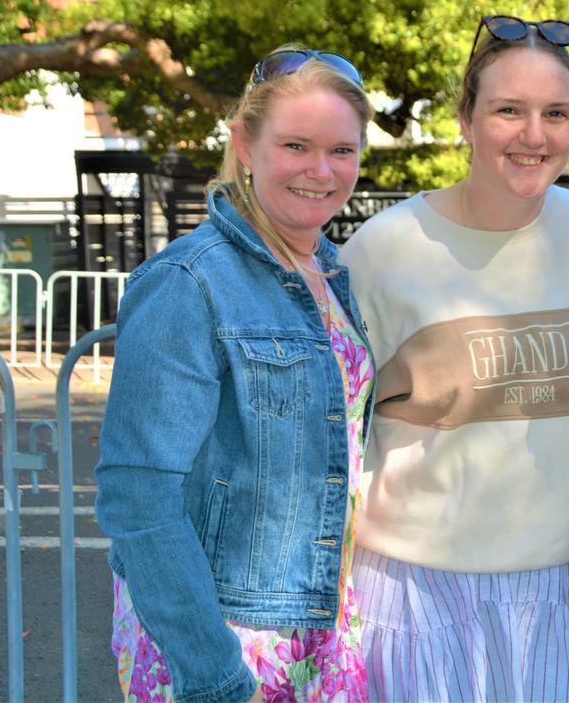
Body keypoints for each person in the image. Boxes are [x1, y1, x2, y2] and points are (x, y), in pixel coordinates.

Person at [338, 14, 569, 702]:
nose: (535, 135)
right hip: (416, 590)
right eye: (509, 111)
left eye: (555, 113)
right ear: (465, 120)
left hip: (564, 585)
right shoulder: (382, 251)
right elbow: (331, 427)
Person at [95, 45, 376, 703]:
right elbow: (139, 501)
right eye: (296, 146)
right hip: (225, 643)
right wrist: (217, 678)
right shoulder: (188, 282)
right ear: (245, 145)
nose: (321, 170)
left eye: (342, 150)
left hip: (324, 628)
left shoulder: (333, 272)